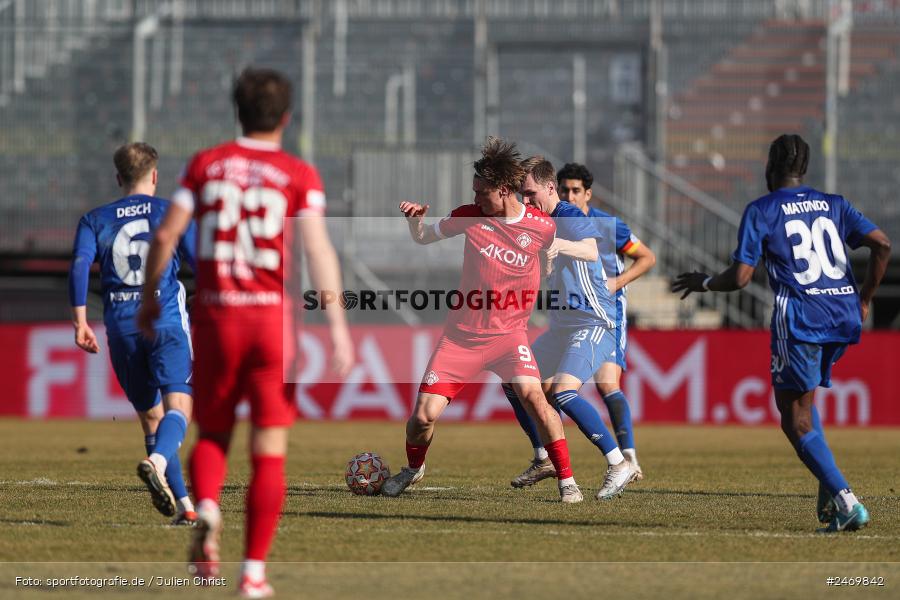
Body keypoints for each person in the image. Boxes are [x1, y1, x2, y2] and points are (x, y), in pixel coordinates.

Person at [137, 68, 354, 597]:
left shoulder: (205, 166)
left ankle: (207, 508)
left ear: (236, 110)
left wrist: (147, 300)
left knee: (212, 432)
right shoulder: (298, 173)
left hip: (217, 318)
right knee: (269, 450)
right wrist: (338, 324)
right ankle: (253, 572)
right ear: (286, 116)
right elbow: (318, 248)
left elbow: (166, 234)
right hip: (272, 324)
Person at [671, 134, 891, 533]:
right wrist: (864, 298)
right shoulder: (834, 204)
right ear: (804, 168)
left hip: (802, 319)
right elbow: (882, 244)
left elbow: (740, 278)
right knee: (806, 404)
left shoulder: (762, 209)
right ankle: (829, 483)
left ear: (770, 168)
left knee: (794, 420)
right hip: (843, 315)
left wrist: (704, 283)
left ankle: (847, 502)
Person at [384, 138, 583, 503]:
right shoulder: (468, 216)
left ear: (505, 190)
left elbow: (572, 249)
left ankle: (567, 481)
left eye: (481, 192)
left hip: (509, 338)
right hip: (461, 338)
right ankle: (413, 469)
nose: (475, 199)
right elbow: (425, 238)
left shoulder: (542, 226)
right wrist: (416, 224)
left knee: (535, 399)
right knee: (423, 417)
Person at [68, 142, 197, 525]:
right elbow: (198, 263)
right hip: (166, 321)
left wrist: (79, 321)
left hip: (123, 328)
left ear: (118, 177)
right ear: (155, 175)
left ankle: (185, 506)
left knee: (151, 419)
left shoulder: (95, 219)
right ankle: (156, 463)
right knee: (179, 410)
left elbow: (79, 266)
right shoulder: (172, 212)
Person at [504, 157, 636, 500]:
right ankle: (544, 456)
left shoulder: (568, 214)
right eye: (522, 194)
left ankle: (618, 461)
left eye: (531, 193)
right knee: (513, 381)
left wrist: (556, 246)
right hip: (562, 326)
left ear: (550, 188)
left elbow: (590, 251)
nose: (527, 200)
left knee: (563, 392)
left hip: (593, 321)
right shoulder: (536, 220)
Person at [560, 162, 656, 481]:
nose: (570, 196)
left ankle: (628, 458)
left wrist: (617, 282)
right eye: (564, 190)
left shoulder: (608, 226)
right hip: (572, 314)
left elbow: (647, 257)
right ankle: (547, 458)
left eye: (576, 191)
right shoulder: (554, 224)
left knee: (606, 383)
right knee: (546, 388)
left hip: (608, 312)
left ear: (588, 194)